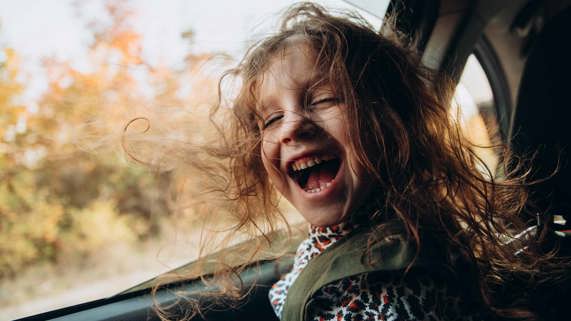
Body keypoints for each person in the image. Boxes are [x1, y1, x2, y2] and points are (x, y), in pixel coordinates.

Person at [152, 2, 567, 321]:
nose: (291, 127)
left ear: (393, 123)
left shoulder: (391, 290)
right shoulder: (357, 235)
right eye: (272, 118)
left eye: (324, 99)